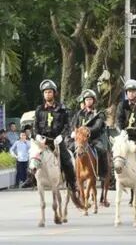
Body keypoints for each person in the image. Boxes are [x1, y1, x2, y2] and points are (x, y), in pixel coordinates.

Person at [22, 79, 83, 208]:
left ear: (54, 93)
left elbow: (68, 125)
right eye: (45, 92)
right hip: (42, 141)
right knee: (32, 156)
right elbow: (35, 127)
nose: (47, 94)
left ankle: (73, 184)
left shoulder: (62, 109)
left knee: (67, 159)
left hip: (56, 141)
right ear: (43, 95)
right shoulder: (39, 110)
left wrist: (61, 136)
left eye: (50, 92)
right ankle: (30, 178)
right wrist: (37, 135)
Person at [71, 89, 108, 179]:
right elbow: (74, 124)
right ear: (84, 101)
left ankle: (102, 173)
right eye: (86, 99)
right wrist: (74, 131)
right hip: (80, 140)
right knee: (68, 149)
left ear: (94, 101)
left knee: (102, 150)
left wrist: (87, 130)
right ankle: (71, 175)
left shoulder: (99, 114)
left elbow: (97, 127)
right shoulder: (79, 114)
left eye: (90, 99)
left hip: (93, 138)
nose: (88, 101)